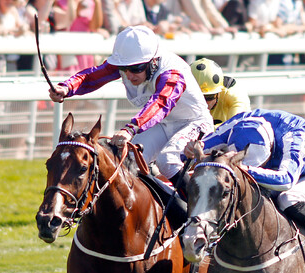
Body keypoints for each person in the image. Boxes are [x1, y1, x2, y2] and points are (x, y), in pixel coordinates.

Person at [49, 25, 213, 184]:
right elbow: (93, 76)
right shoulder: (131, 63)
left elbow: (160, 103)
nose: (129, 75)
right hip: (162, 125)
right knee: (128, 161)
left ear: (153, 61)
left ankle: (192, 207)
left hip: (194, 123)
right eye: (124, 68)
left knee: (167, 160)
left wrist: (130, 128)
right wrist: (67, 87)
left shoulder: (172, 73)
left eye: (136, 69)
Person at [192, 109, 305, 273]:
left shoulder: (295, 135)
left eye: (261, 164)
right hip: (274, 167)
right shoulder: (238, 124)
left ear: (271, 146)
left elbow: (286, 180)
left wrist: (245, 169)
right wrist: (191, 150)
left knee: (288, 199)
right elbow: (201, 148)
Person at [189, 57, 251, 125]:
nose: (204, 103)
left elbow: (236, 125)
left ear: (218, 93)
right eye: (197, 97)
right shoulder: (180, 94)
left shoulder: (234, 94)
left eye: (209, 97)